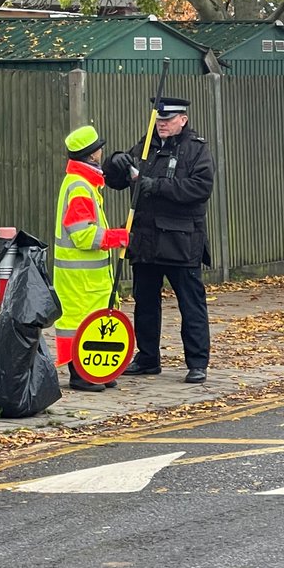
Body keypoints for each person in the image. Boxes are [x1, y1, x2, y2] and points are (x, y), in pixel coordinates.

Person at [104, 97, 213, 383]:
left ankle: (197, 362)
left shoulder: (196, 150)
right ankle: (148, 357)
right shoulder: (144, 147)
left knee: (191, 303)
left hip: (181, 240)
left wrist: (158, 186)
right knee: (145, 302)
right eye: (159, 119)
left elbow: (200, 188)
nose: (162, 124)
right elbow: (115, 180)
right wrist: (116, 161)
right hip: (146, 239)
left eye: (168, 120)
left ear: (183, 120)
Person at [53, 126, 130, 392]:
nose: (102, 152)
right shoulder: (80, 188)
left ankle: (96, 370)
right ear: (92, 156)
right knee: (79, 323)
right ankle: (81, 374)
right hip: (79, 279)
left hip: (88, 279)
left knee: (95, 320)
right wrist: (115, 237)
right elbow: (82, 235)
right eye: (99, 149)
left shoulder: (85, 184)